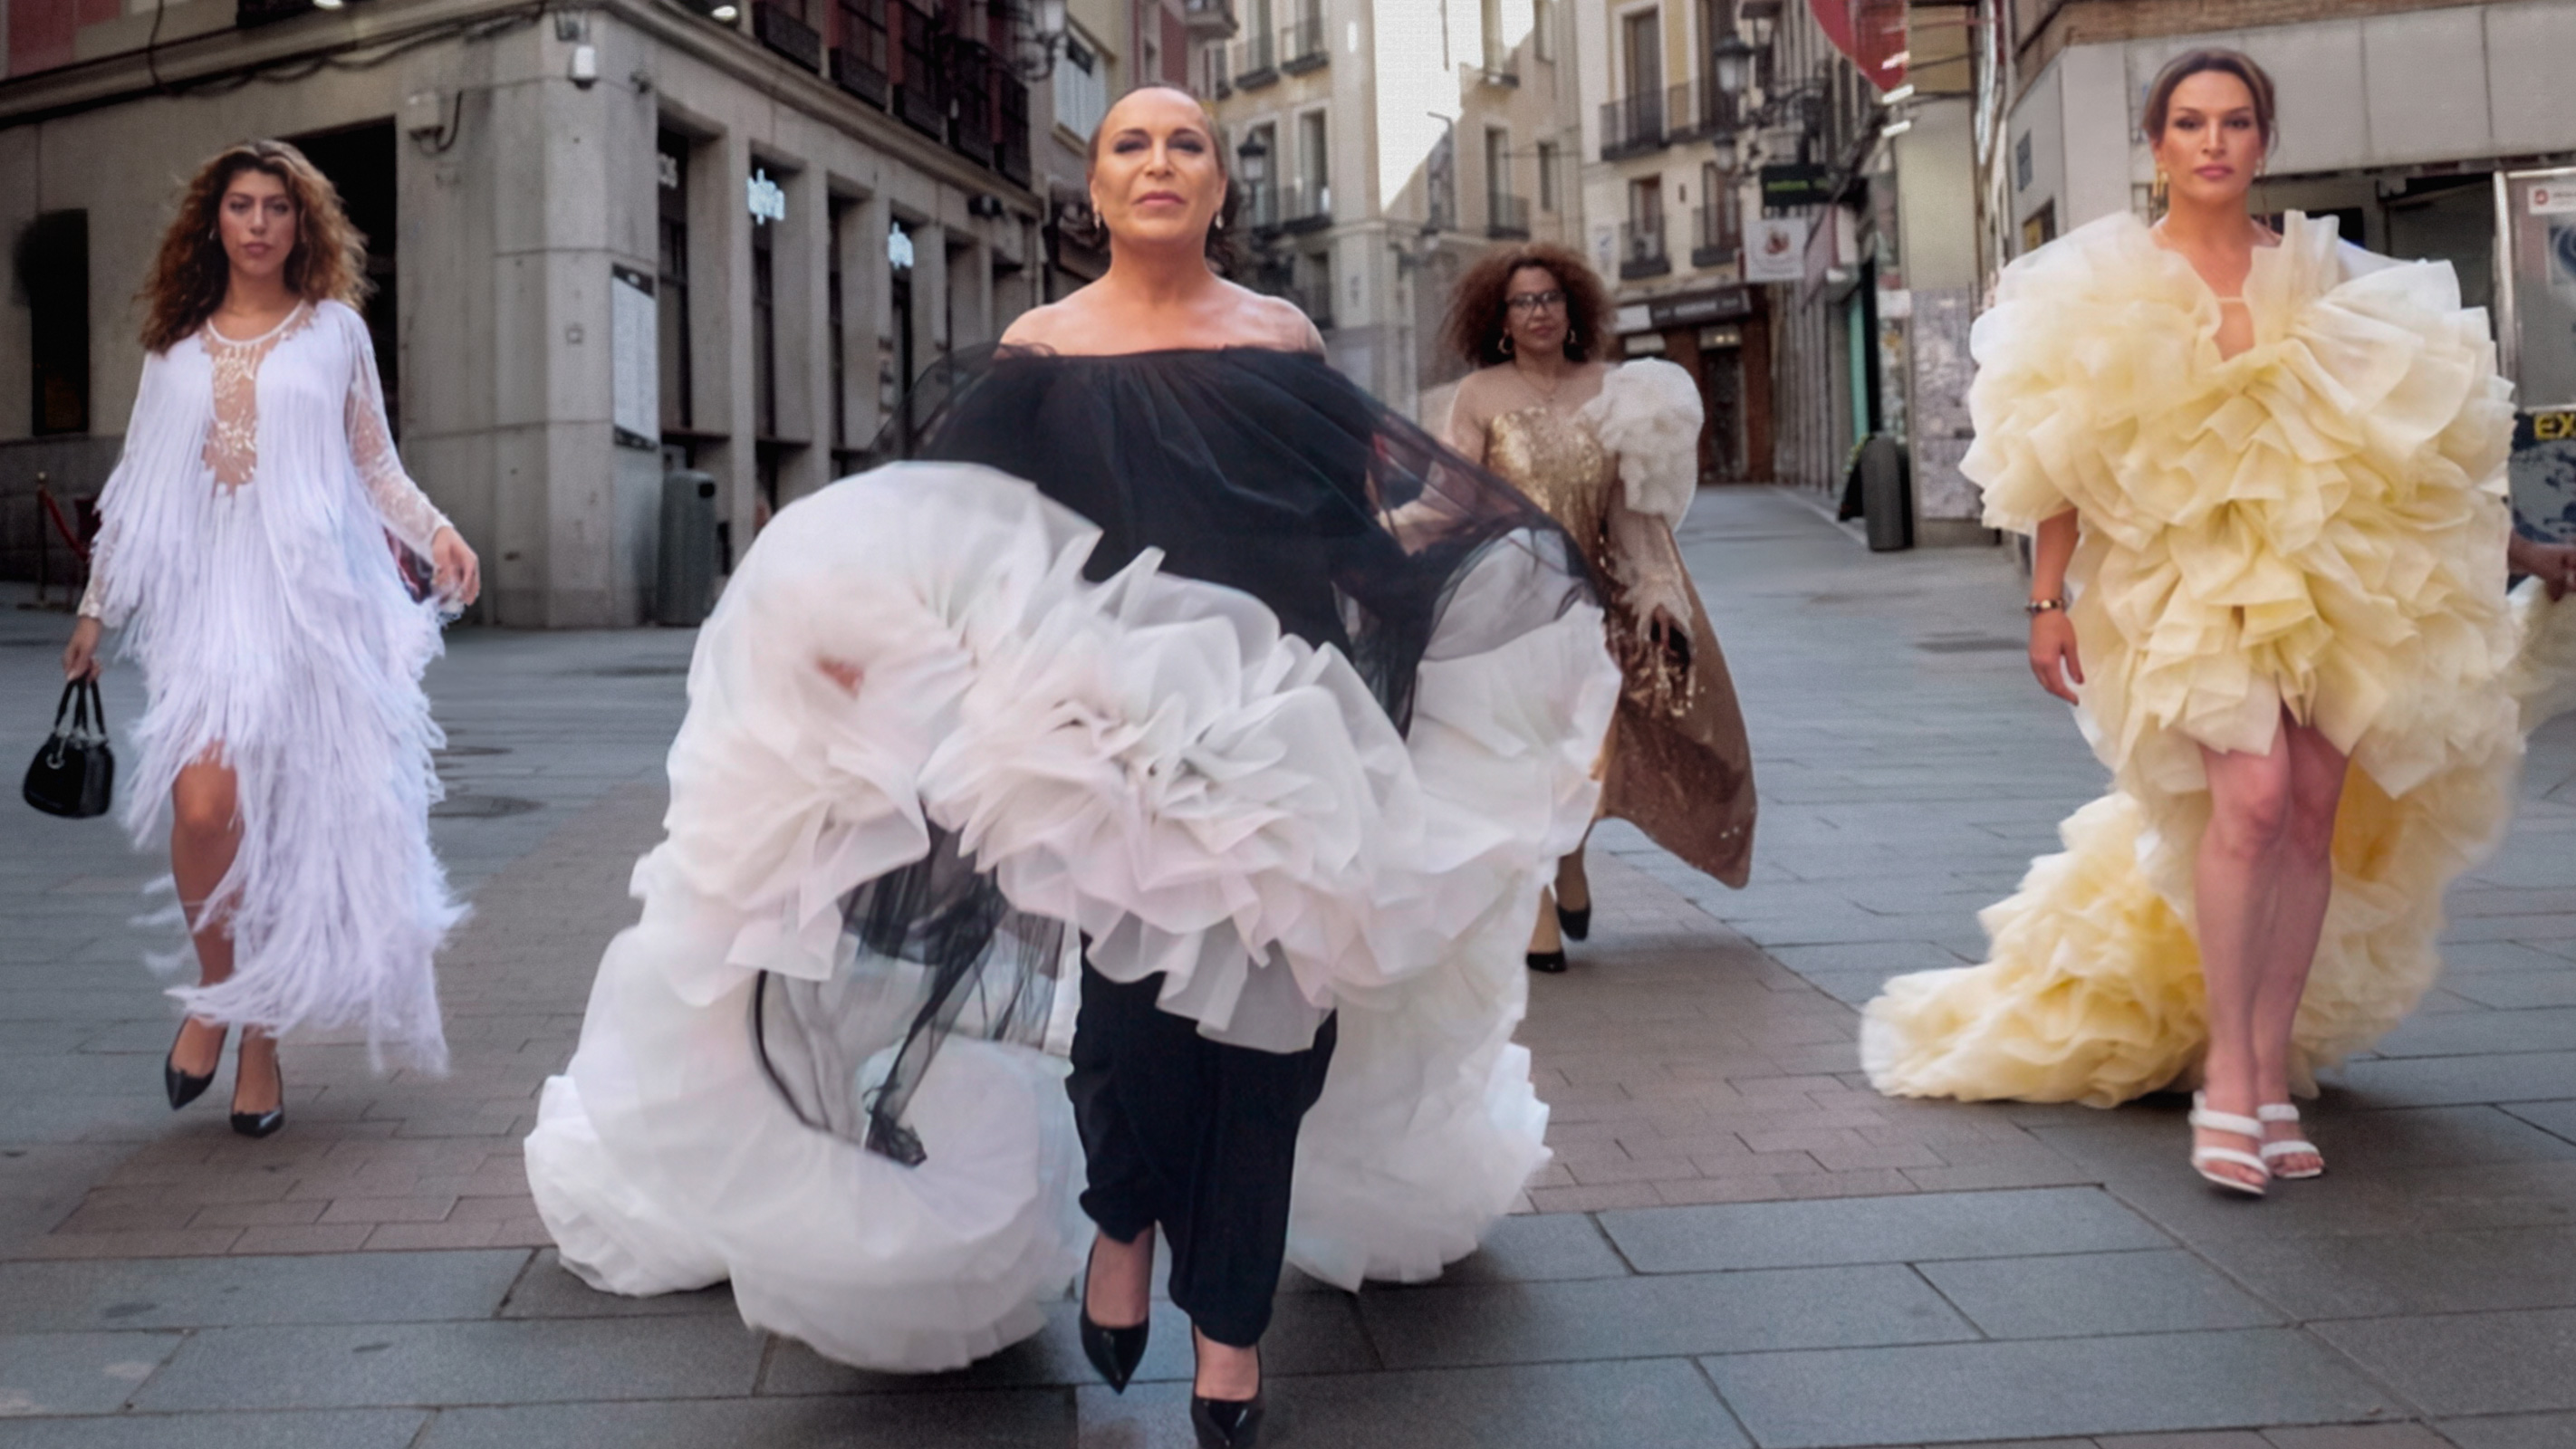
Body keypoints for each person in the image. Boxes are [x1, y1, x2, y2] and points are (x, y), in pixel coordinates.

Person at [523, 86, 1617, 1449]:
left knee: (1280, 1041)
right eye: (1128, 145)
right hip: (1104, 738)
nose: (1159, 162)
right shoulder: (1041, 351)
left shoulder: (1279, 337)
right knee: (1136, 1028)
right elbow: (944, 530)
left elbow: (1349, 535)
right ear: (1094, 193)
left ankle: (1229, 1325)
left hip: (1286, 722)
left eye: (1186, 143)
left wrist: (1474, 581)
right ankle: (1122, 1218)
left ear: (1219, 186)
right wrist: (852, 651)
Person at [1859, 50, 2562, 1196]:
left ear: (2263, 140)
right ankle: (2230, 1077)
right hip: (2180, 580)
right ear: (2157, 143)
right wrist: (2046, 598)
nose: (2214, 142)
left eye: (2236, 122)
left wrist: (2522, 553)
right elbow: (2064, 454)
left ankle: (2268, 1070)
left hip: (2328, 574)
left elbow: (2420, 460)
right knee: (2256, 798)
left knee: (2314, 808)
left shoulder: (2327, 277)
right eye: (2190, 122)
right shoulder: (2108, 282)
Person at [59, 139, 477, 1137]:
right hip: (211, 604)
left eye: (277, 208)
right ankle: (219, 992)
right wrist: (96, 607)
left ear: (302, 224)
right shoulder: (174, 346)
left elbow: (375, 466)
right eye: (242, 205)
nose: (258, 224)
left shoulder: (335, 332)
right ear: (214, 221)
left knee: (281, 827)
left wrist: (438, 530)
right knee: (204, 807)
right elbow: (140, 487)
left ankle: (262, 1040)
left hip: (310, 608)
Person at [1441, 245, 1757, 972]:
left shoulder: (1617, 391)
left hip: (1593, 608)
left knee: (1584, 753)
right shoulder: (1479, 396)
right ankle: (1536, 907)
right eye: (1523, 302)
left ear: (1573, 306)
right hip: (1507, 608)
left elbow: (1632, 510)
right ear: (1499, 319)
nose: (1539, 312)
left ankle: (1572, 858)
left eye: (1551, 297)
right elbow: (1455, 497)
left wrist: (1658, 590)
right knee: (1524, 757)